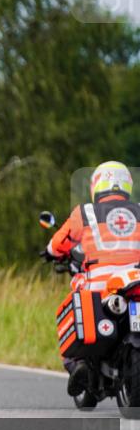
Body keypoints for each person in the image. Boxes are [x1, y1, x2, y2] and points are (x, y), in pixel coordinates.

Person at [44, 161, 140, 396]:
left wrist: (49, 252)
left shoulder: (85, 213)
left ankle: (78, 363)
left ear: (97, 186)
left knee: (76, 300)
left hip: (101, 284)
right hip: (136, 279)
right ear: (127, 185)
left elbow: (60, 242)